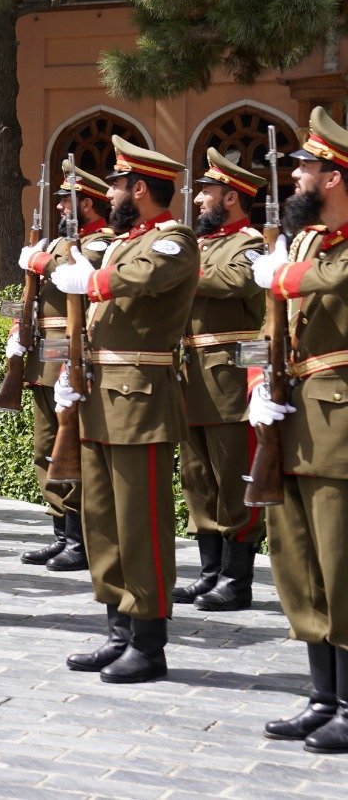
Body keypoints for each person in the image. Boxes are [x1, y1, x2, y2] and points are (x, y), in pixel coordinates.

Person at [51, 136, 197, 683]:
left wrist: (93, 280)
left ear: (140, 187)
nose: (108, 192)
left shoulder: (172, 239)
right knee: (105, 520)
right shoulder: (121, 241)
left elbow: (147, 278)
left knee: (142, 523)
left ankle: (149, 641)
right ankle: (118, 629)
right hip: (100, 393)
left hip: (140, 397)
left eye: (115, 183)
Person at [248, 106, 348, 751]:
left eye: (306, 169)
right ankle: (322, 695)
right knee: (298, 561)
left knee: (343, 563)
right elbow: (267, 331)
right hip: (293, 419)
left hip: (339, 424)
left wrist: (281, 275)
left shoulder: (323, 256)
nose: (296, 181)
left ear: (335, 176)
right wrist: (259, 385)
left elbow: (334, 284)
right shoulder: (307, 243)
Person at [176, 148, 266, 611]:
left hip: (228, 375)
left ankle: (237, 577)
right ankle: (210, 571)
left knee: (233, 476)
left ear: (231, 197)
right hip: (190, 374)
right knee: (197, 477)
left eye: (207, 193)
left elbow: (234, 283)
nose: (197, 202)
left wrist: (175, 269)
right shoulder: (202, 245)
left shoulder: (249, 244)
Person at [15, 162, 115, 572]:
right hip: (46, 353)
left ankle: (81, 536)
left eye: (65, 202)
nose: (58, 208)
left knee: (73, 444)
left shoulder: (101, 244)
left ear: (86, 203)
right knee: (46, 447)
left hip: (74, 352)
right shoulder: (60, 242)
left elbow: (75, 276)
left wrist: (39, 263)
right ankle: (61, 530)